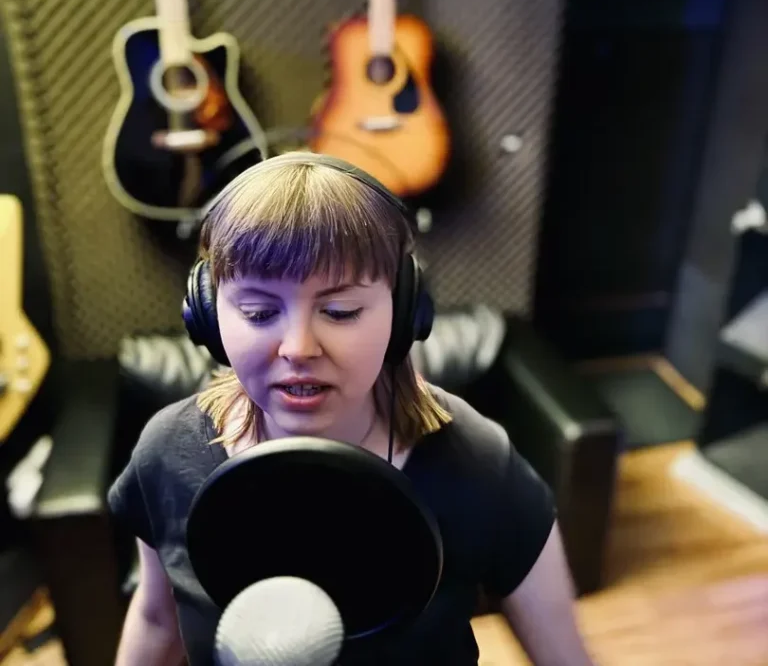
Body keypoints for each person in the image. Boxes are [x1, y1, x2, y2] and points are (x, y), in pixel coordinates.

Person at [107, 151, 595, 665]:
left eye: (340, 311)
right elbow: (156, 620)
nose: (298, 347)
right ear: (206, 315)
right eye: (258, 311)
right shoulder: (167, 452)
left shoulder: (477, 461)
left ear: (404, 309)